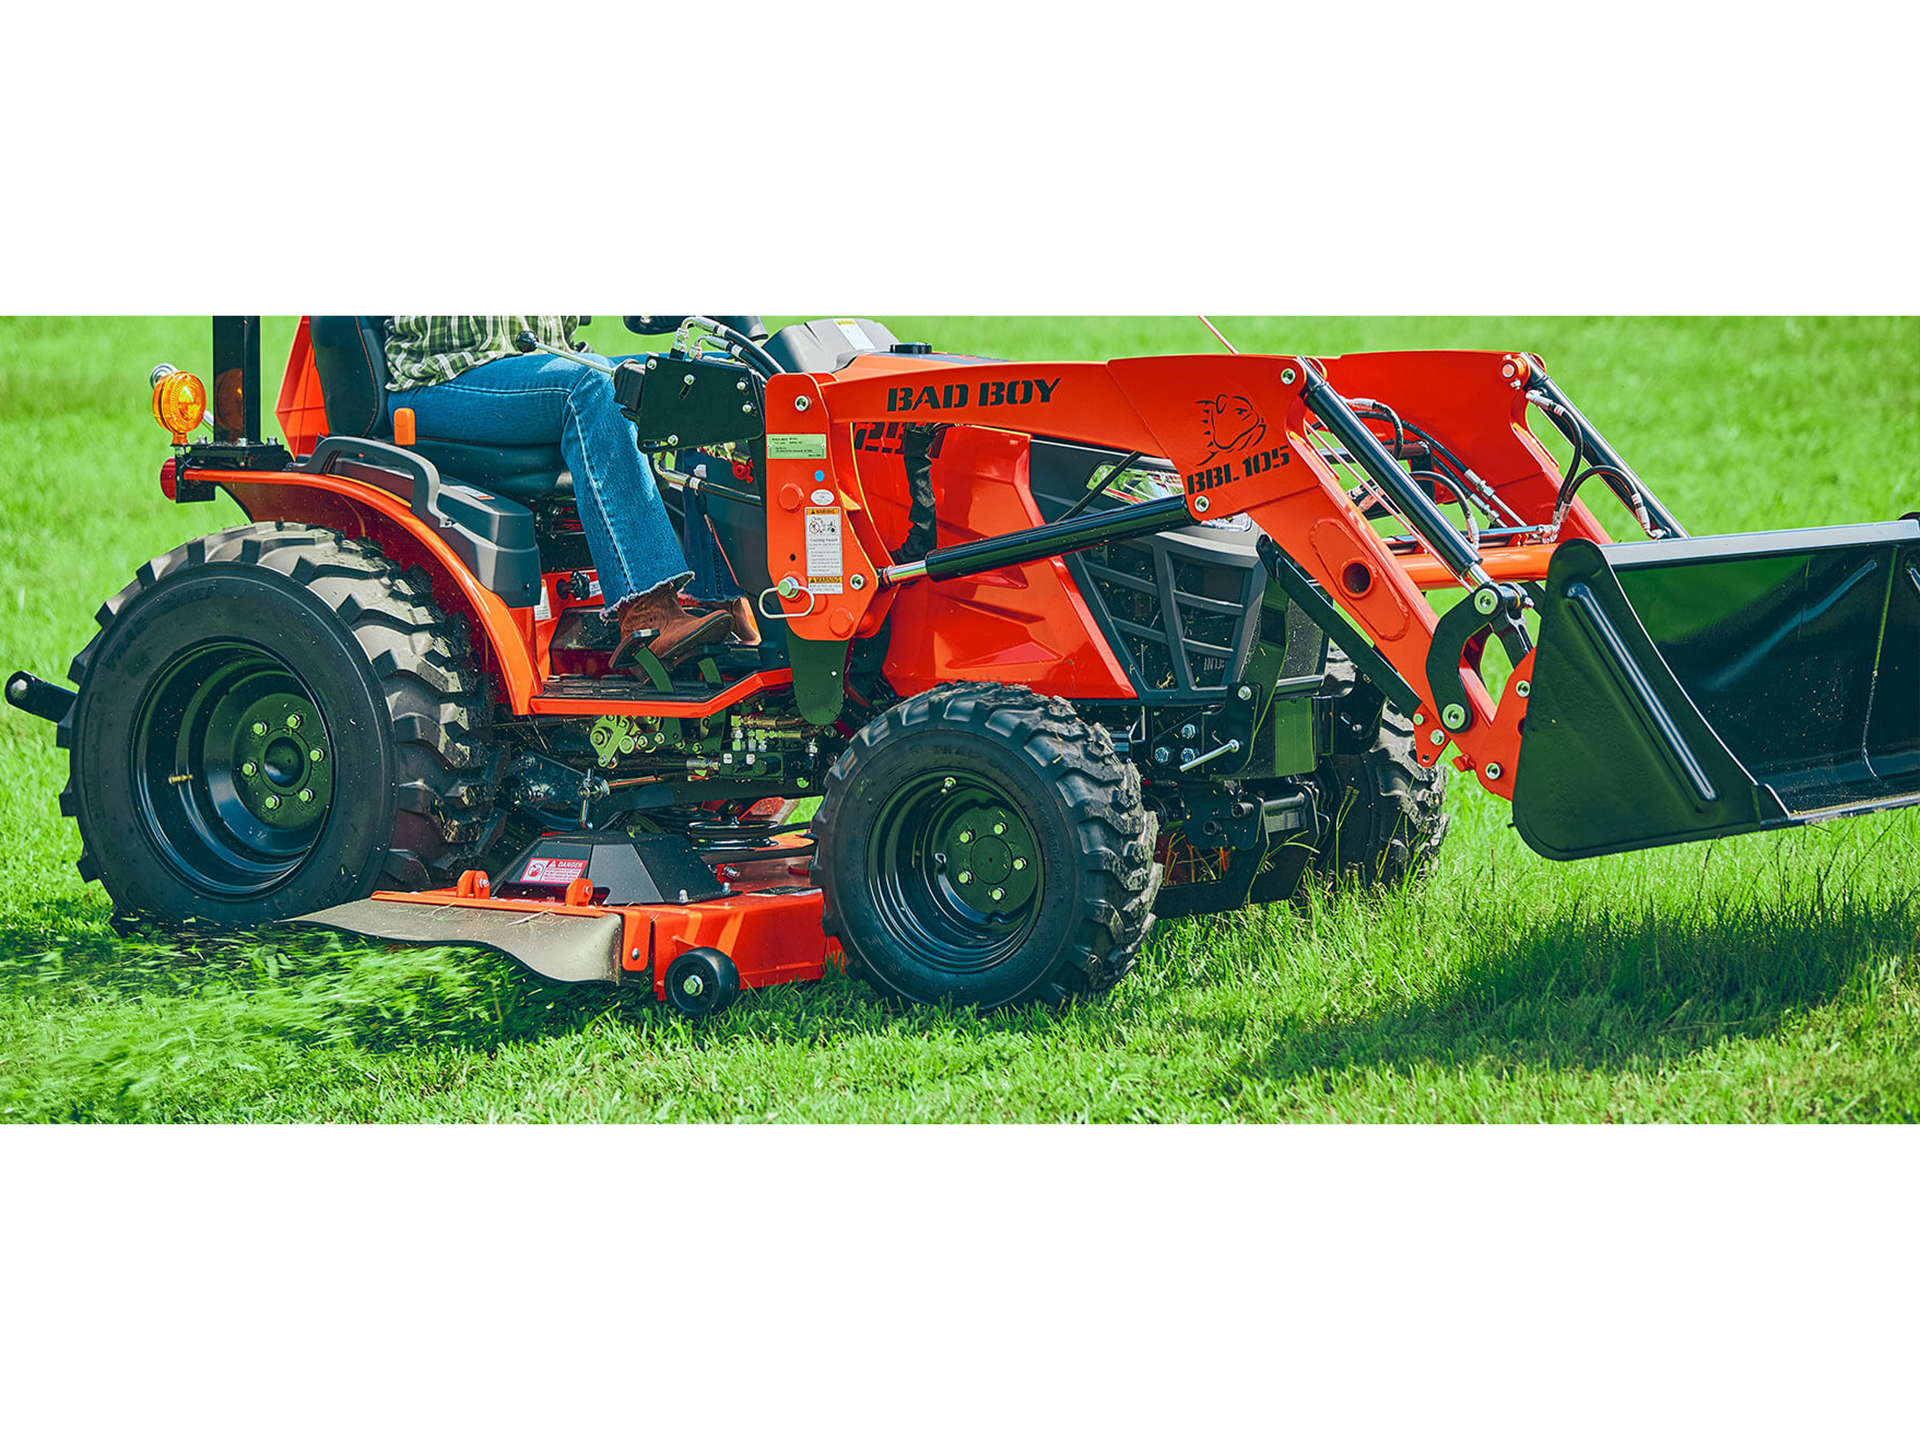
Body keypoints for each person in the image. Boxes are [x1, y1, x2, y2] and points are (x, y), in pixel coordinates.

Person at [382, 315, 757, 666]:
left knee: (704, 381)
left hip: (537, 365)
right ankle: (649, 614)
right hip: (446, 377)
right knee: (600, 387)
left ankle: (720, 597)